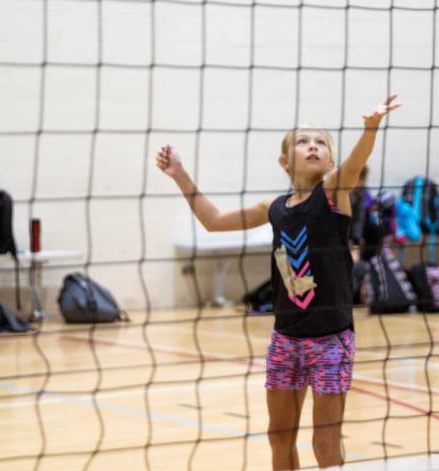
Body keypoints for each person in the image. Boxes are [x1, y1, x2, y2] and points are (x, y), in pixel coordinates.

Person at [156, 95, 400, 470]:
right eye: (302, 142)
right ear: (285, 161)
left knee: (324, 442)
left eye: (321, 143)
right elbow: (214, 221)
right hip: (286, 338)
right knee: (279, 436)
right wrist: (180, 175)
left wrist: (370, 129)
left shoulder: (333, 194)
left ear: (330, 162)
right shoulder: (273, 208)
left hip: (331, 340)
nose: (313, 146)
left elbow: (354, 166)